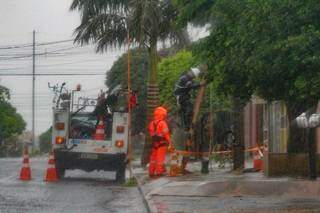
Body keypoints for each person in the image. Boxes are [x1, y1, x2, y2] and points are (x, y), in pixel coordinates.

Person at [148, 106, 173, 177]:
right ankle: (159, 172)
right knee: (160, 159)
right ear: (162, 115)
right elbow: (166, 134)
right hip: (162, 144)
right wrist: (170, 142)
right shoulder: (163, 123)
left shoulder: (151, 123)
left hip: (154, 144)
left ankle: (151, 172)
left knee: (153, 159)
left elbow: (151, 134)